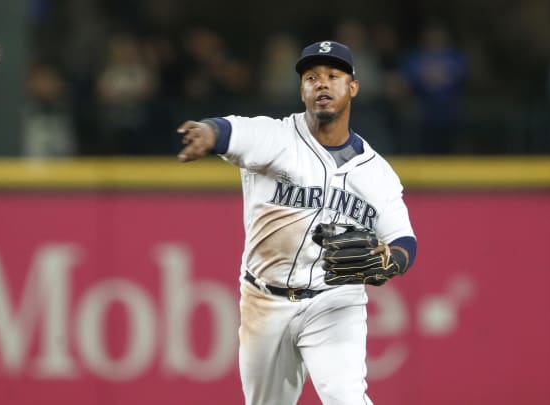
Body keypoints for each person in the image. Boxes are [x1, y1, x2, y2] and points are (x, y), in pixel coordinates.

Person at [176, 40, 417, 405]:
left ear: (352, 87)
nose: (321, 84)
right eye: (311, 77)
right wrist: (207, 135)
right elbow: (230, 131)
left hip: (335, 301)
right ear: (301, 90)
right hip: (264, 300)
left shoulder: (377, 174)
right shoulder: (275, 138)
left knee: (346, 398)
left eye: (333, 76)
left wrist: (391, 260)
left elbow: (404, 240)